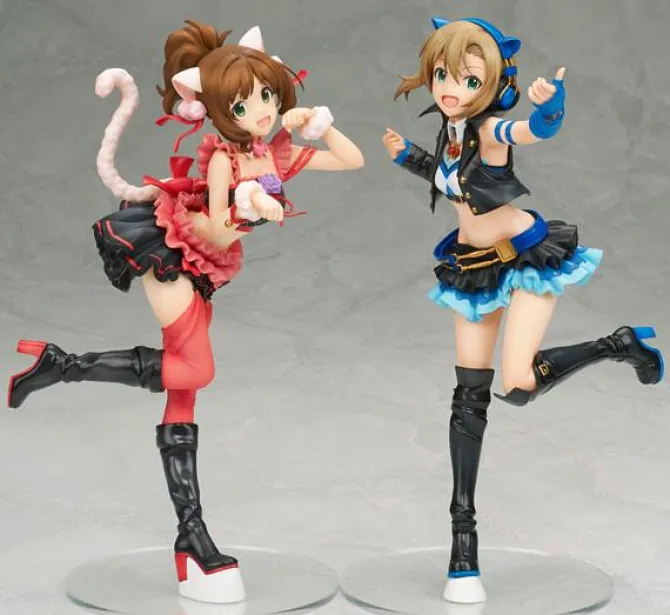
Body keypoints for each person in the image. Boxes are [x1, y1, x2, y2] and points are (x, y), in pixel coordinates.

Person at [8, 20, 364, 604]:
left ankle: (191, 539)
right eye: (245, 104)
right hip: (175, 252)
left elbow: (350, 160)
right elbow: (220, 223)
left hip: (206, 266)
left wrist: (318, 126)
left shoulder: (274, 150)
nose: (262, 111)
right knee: (196, 369)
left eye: (267, 97)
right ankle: (64, 365)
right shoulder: (225, 159)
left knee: (184, 392)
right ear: (221, 111)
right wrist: (257, 204)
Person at [383, 15, 663, 604]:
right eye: (443, 74)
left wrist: (550, 106)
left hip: (527, 258)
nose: (451, 87)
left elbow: (532, 131)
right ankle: (463, 544)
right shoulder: (452, 130)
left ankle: (617, 345)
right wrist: (407, 156)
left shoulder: (489, 129)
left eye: (468, 79)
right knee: (468, 397)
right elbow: (451, 181)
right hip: (471, 266)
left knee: (516, 383)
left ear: (492, 82)